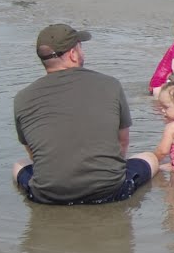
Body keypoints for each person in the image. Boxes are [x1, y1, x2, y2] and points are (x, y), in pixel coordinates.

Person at [12, 23, 158, 205]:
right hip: (109, 190)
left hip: (49, 195)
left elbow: (33, 153)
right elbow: (123, 142)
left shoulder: (22, 98)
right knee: (149, 158)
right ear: (73, 54)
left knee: (19, 165)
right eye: (80, 47)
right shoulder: (110, 85)